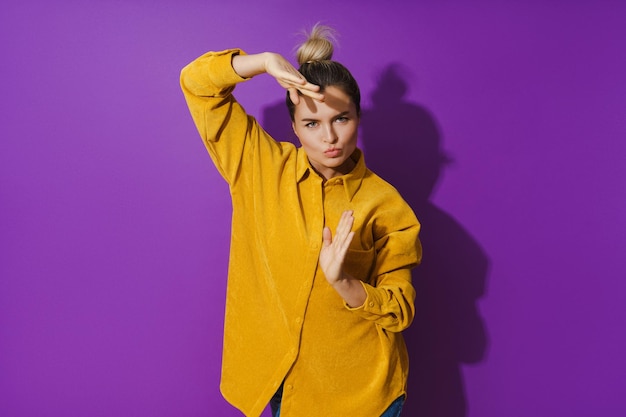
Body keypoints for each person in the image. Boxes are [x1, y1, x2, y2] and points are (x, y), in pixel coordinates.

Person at [180, 24, 422, 417]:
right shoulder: (259, 167)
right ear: (294, 128)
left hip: (364, 396)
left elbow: (399, 309)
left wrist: (344, 283)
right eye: (312, 124)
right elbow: (197, 84)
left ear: (358, 118)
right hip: (280, 384)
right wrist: (260, 63)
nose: (330, 137)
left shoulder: (386, 203)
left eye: (341, 119)